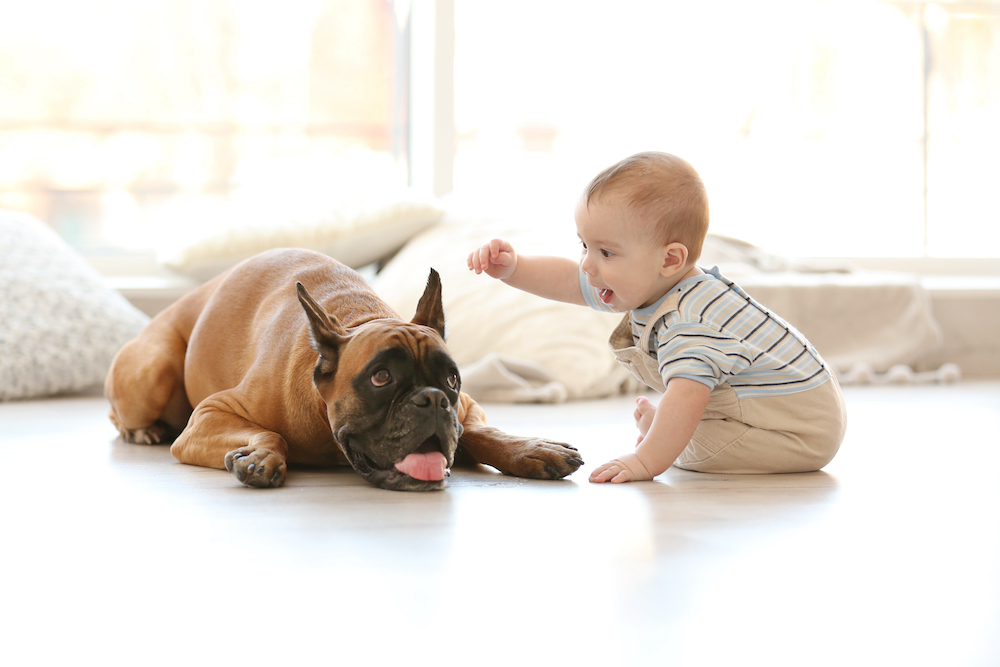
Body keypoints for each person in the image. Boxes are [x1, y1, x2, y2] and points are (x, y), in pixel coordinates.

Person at [467, 151, 847, 483]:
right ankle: (664, 431)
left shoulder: (688, 322)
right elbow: (569, 280)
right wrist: (514, 268)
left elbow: (687, 398)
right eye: (585, 245)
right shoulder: (653, 282)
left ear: (670, 259)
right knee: (678, 422)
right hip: (786, 412)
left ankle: (661, 435)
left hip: (795, 433)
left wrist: (645, 459)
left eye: (606, 252)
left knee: (689, 446)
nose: (587, 263)